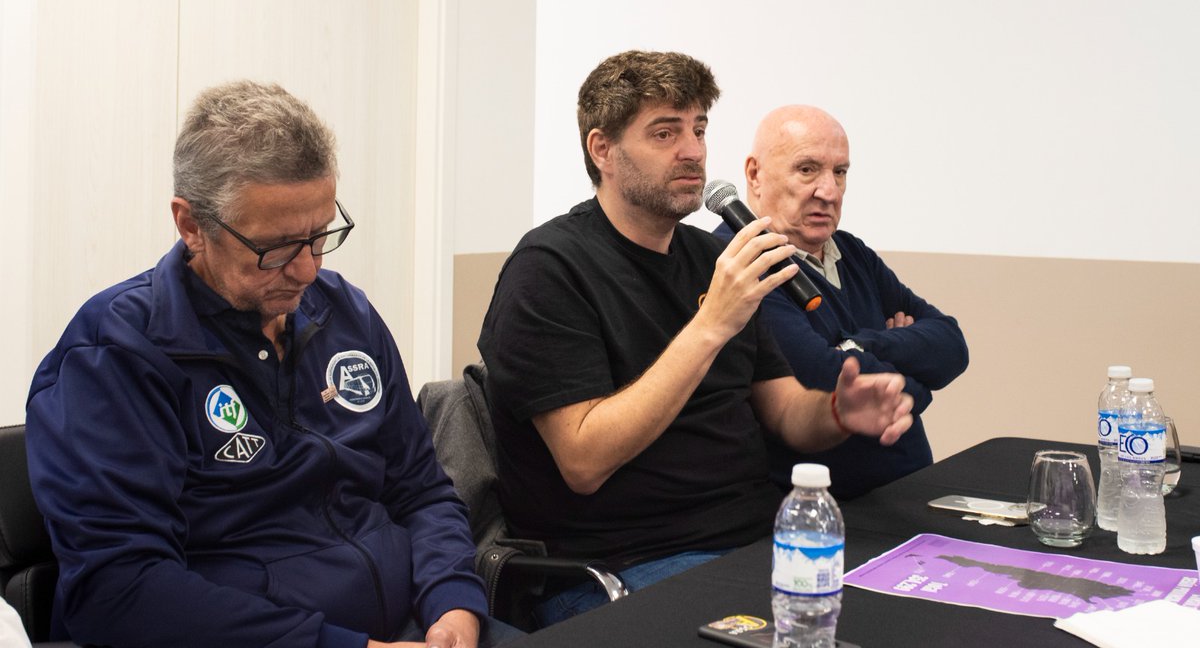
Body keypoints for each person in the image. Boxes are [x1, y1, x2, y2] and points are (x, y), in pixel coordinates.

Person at [25, 81, 520, 648]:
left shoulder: (346, 314)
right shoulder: (115, 353)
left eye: (320, 234)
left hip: (412, 624)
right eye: (277, 248)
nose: (308, 270)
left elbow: (421, 492)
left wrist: (453, 602)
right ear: (191, 226)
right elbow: (118, 590)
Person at [477, 51, 913, 625]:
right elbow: (584, 460)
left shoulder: (712, 255)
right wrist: (711, 324)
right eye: (665, 133)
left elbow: (784, 412)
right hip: (626, 567)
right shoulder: (549, 271)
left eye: (699, 129)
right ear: (602, 149)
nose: (693, 151)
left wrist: (837, 411)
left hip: (755, 544)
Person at [718, 104, 968, 498]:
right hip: (825, 510)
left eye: (840, 172)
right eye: (807, 170)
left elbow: (952, 347)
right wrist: (919, 384)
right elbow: (822, 376)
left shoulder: (851, 253)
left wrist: (861, 344)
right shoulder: (740, 263)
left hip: (909, 494)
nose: (829, 191)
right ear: (754, 175)